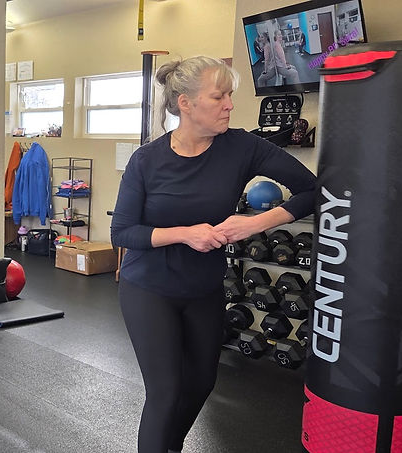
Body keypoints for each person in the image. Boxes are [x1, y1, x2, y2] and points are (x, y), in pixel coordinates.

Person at [110, 56, 316, 453]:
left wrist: (254, 223)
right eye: (218, 96)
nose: (229, 105)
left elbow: (309, 189)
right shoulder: (147, 160)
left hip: (203, 288)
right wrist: (185, 234)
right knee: (166, 392)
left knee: (202, 382)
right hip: (149, 288)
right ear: (185, 103)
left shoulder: (242, 147)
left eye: (229, 96)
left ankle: (169, 445)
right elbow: (122, 232)